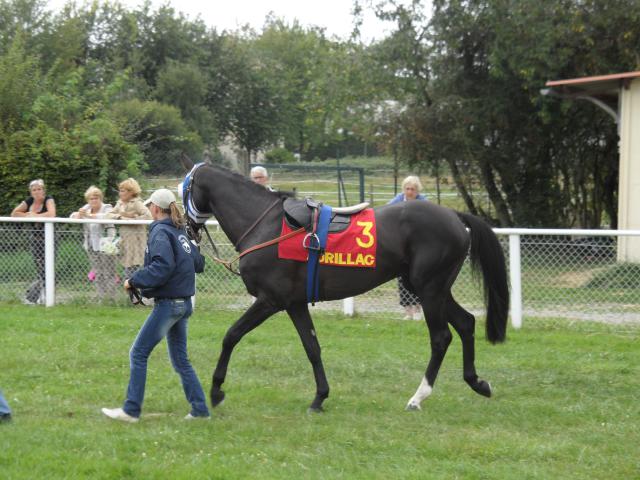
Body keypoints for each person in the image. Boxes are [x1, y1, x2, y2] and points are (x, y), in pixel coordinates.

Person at [102, 188, 210, 422]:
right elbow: (198, 264)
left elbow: (162, 267)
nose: (149, 208)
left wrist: (134, 280)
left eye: (151, 205)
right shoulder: (179, 231)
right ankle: (200, 411)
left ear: (156, 208)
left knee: (138, 353)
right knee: (181, 360)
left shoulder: (161, 231)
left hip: (169, 306)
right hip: (184, 305)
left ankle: (131, 411)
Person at [388, 175, 428, 320]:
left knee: (419, 276)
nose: (409, 192)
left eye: (413, 189)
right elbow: (386, 213)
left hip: (419, 246)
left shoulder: (423, 202)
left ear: (418, 191)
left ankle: (418, 308)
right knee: (402, 277)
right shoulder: (398, 200)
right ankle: (408, 311)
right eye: (407, 189)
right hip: (401, 246)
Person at [11, 179, 57, 304]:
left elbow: (52, 214)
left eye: (39, 189)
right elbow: (14, 213)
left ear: (44, 190)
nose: (37, 192)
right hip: (35, 240)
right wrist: (27, 215)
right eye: (34, 190)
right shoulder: (29, 201)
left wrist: (35, 215)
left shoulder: (49, 199)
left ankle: (41, 297)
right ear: (31, 192)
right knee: (40, 270)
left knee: (48, 268)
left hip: (49, 239)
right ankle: (37, 297)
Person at [70, 186, 117, 301]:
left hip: (106, 245)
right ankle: (101, 296)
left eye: (96, 198)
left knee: (109, 271)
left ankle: (111, 298)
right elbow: (72, 216)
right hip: (91, 246)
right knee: (97, 272)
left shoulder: (107, 207)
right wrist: (79, 214)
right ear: (88, 200)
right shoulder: (86, 208)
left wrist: (89, 216)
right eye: (91, 199)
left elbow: (106, 217)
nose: (93, 201)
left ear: (100, 198)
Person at [105, 178, 152, 280]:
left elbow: (149, 216)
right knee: (127, 267)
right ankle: (132, 292)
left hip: (137, 242)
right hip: (125, 241)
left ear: (131, 192)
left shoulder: (136, 203)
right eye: (120, 191)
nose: (120, 193)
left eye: (123, 191)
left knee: (136, 267)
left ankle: (139, 292)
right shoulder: (120, 204)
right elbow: (108, 215)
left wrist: (133, 219)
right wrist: (119, 217)